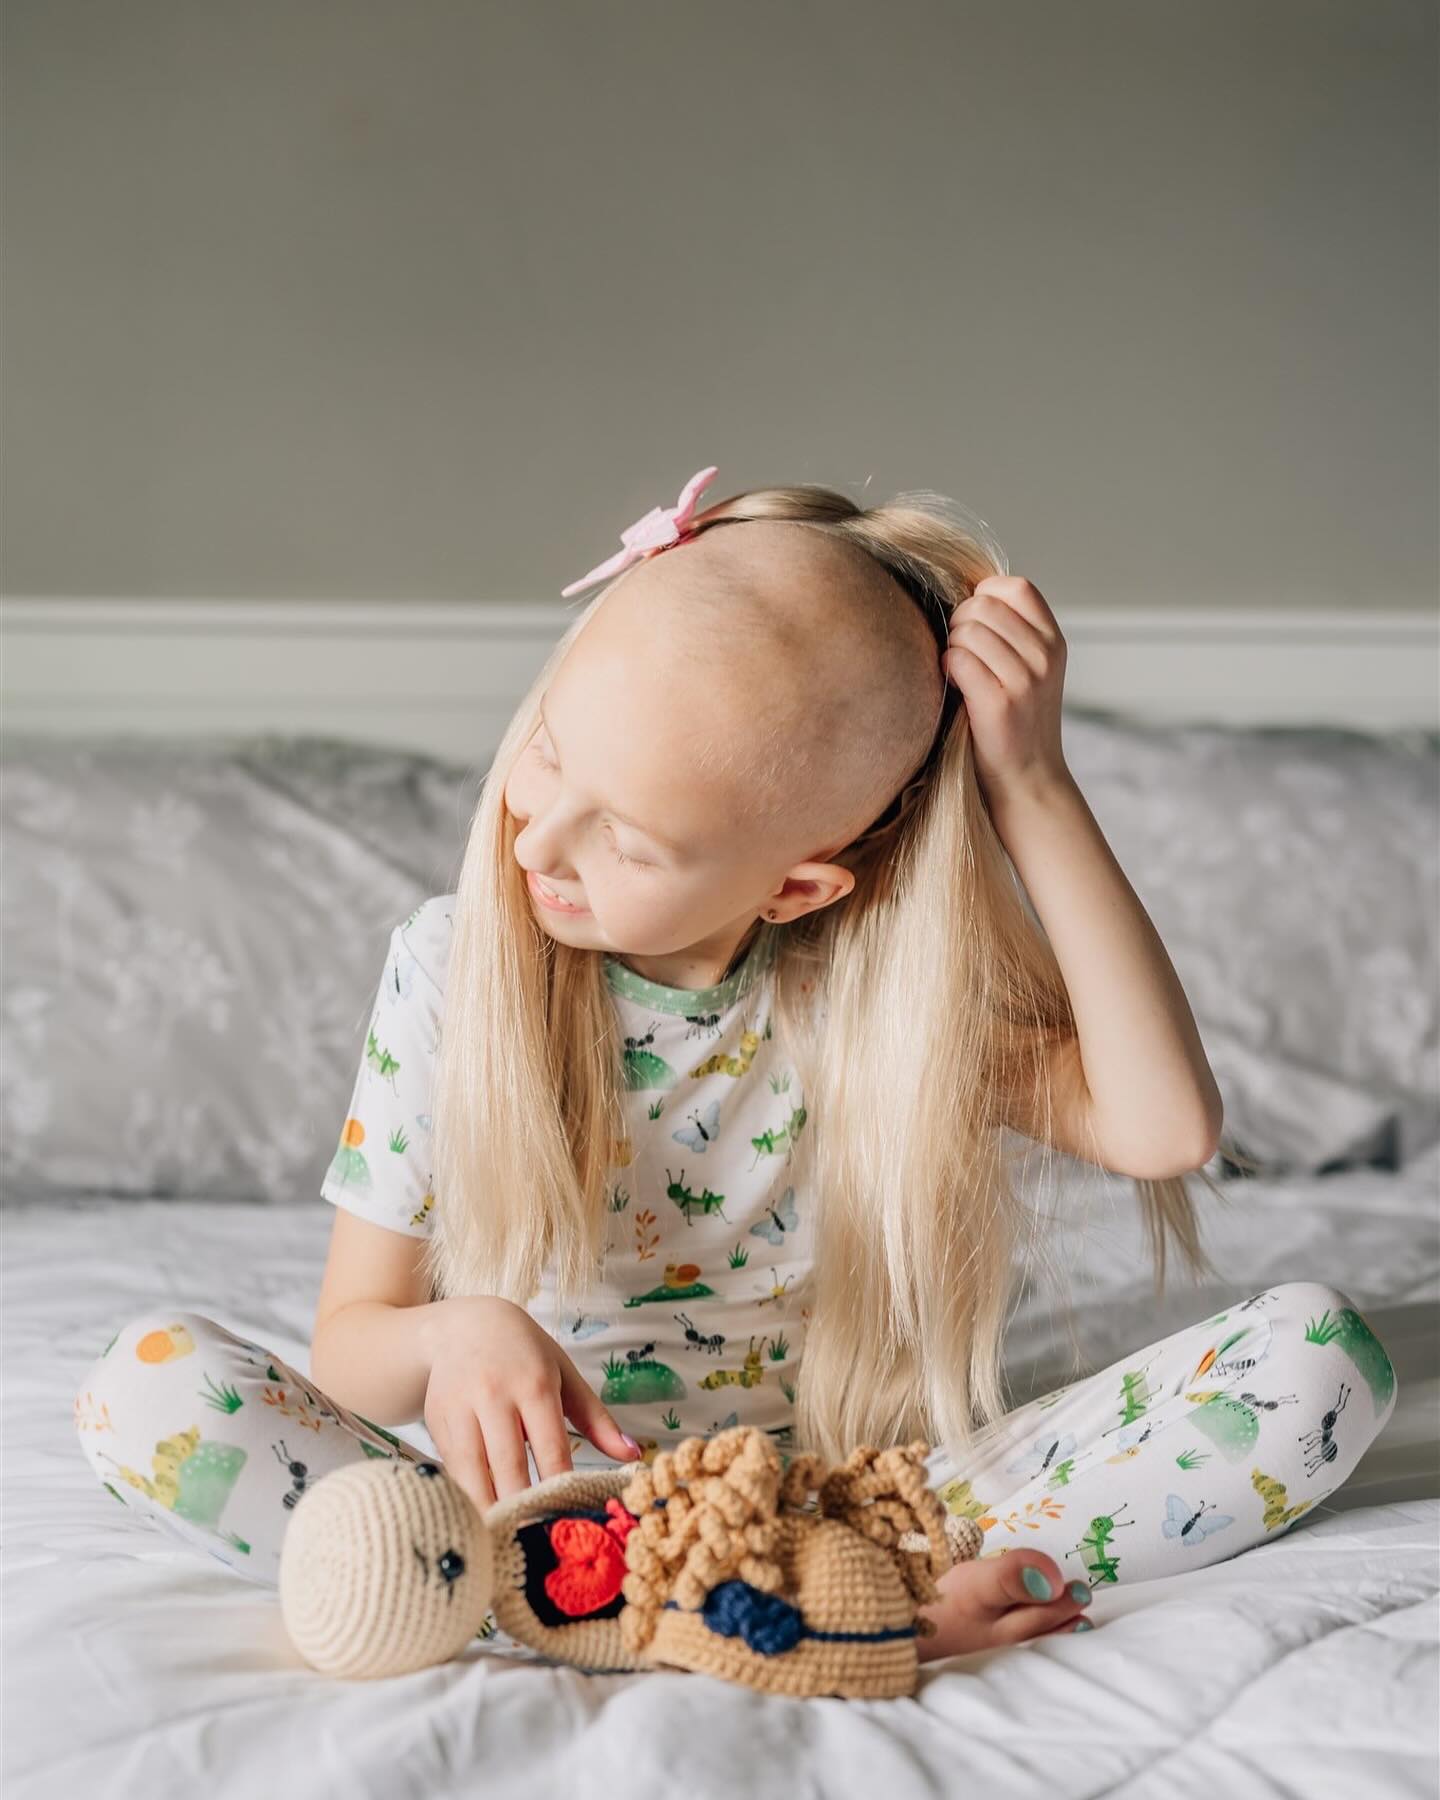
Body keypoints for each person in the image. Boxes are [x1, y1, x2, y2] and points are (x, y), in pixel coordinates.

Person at [73, 468, 1398, 1663]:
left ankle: (696, 1603)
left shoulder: (882, 998)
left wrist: (1035, 787)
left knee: (1319, 1358)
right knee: (148, 1387)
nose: (541, 845)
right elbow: (352, 1350)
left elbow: (1164, 1130)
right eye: (549, 749)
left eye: (631, 845)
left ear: (795, 884)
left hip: (853, 1501)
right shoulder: (453, 968)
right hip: (538, 1510)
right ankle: (691, 1604)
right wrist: (454, 1335)